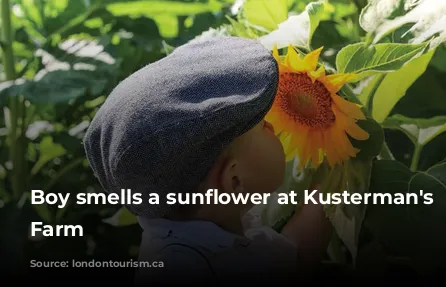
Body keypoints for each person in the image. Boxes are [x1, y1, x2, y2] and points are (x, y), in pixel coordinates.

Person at [83, 36, 333, 283]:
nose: (273, 127)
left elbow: (296, 257)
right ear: (235, 180)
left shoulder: (197, 229)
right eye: (263, 126)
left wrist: (328, 189)